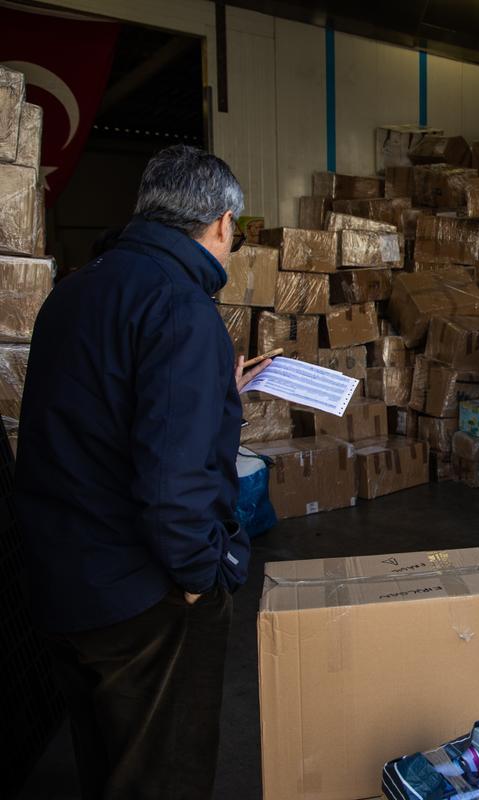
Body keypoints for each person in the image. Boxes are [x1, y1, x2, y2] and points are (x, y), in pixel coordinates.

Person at [14, 144, 269, 800]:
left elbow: (96, 416)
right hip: (140, 599)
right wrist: (196, 580)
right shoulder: (182, 310)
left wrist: (218, 390)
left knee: (110, 766)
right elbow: (172, 486)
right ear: (219, 223)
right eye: (233, 233)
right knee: (164, 774)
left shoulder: (75, 292)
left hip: (64, 580)